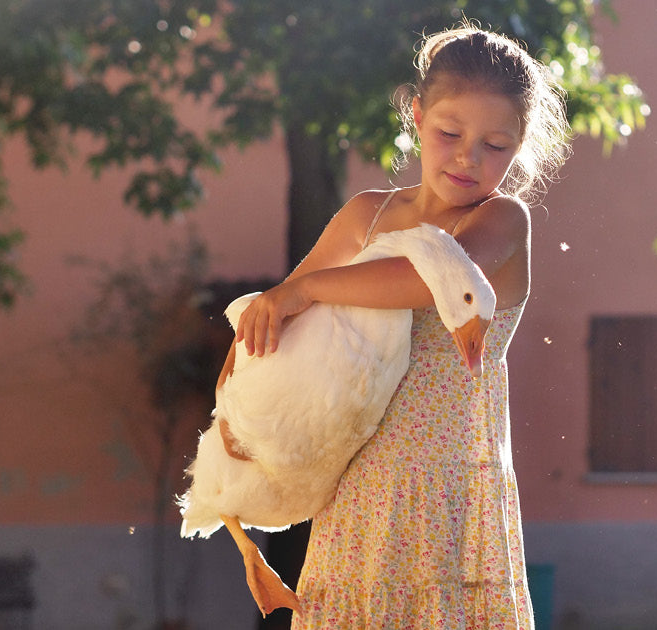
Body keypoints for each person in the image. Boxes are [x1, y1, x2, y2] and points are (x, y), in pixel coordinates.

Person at [229, 23, 571, 629]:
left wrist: (301, 289)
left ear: (520, 147)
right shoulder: (367, 214)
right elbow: (275, 325)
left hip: (449, 502)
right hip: (354, 498)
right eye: (449, 133)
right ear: (416, 115)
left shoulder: (501, 222)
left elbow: (426, 281)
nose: (468, 157)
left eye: (495, 145)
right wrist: (237, 399)